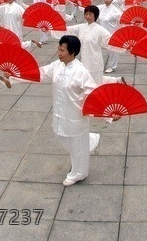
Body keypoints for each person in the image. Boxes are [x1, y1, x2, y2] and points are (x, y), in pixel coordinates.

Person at [31, 35, 101, 187]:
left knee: (76, 147)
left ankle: (79, 173)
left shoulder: (81, 72)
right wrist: (18, 73)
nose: (59, 53)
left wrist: (108, 116)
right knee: (63, 137)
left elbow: (95, 95)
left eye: (62, 50)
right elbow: (41, 73)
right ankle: (89, 142)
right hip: (59, 113)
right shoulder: (57, 65)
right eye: (58, 49)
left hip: (75, 116)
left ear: (72, 52)